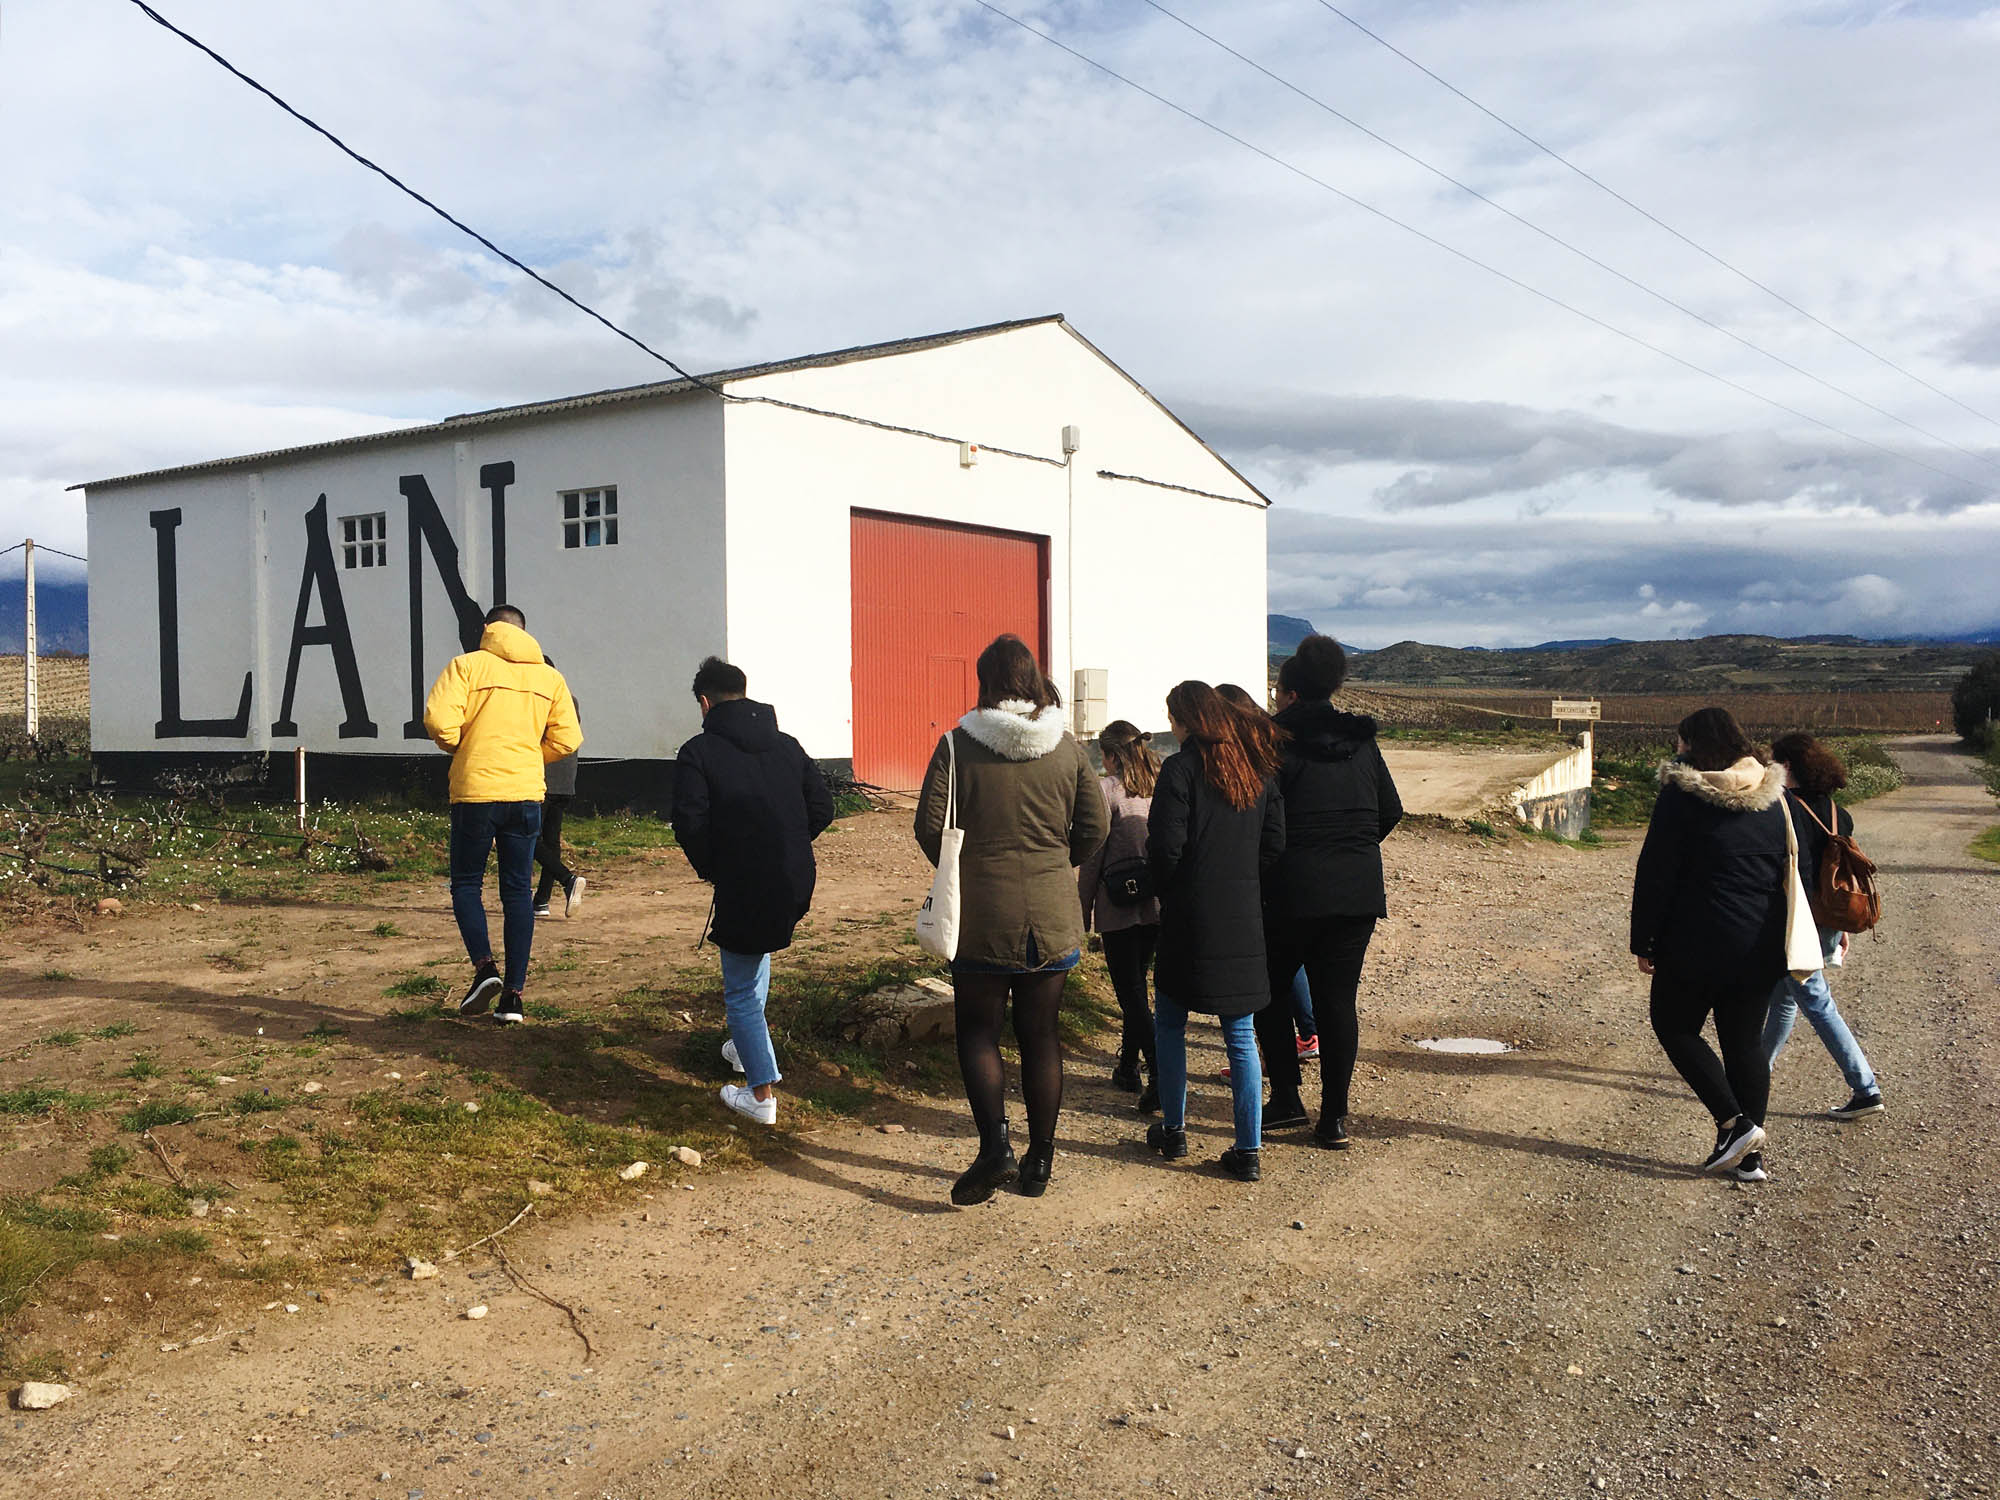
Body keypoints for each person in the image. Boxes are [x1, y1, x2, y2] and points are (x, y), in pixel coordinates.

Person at [916, 634, 1109, 1204]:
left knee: (978, 1031)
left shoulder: (956, 745)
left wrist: (963, 868)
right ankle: (1041, 1158)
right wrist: (1056, 864)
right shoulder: (1068, 748)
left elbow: (930, 827)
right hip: (1051, 911)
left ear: (984, 680)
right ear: (1033, 679)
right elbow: (1095, 829)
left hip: (979, 912)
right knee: (1042, 1035)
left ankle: (995, 1145)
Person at [672, 656, 836, 1126]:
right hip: (794, 877)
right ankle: (745, 1049)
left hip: (744, 878)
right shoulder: (787, 745)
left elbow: (689, 822)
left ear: (704, 702)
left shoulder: (698, 752)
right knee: (757, 952)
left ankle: (760, 1094)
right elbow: (822, 806)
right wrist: (786, 843)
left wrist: (715, 865)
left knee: (741, 988)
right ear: (744, 692)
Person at [1252, 638, 1402, 1148]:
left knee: (1269, 993)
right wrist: (1352, 848)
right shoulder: (1362, 741)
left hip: (1290, 892)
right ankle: (1333, 1117)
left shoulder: (1274, 743)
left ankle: (1287, 1099)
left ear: (1289, 693)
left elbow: (1262, 820)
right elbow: (1391, 810)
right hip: (1355, 891)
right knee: (1338, 1003)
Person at [1630, 707, 1791, 1182]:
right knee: (1744, 1043)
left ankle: (1734, 1123)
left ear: (1694, 746)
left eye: (1681, 743)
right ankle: (1751, 1159)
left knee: (1673, 1025)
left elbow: (1656, 873)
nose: (1677, 751)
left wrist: (1645, 940)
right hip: (1761, 942)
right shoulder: (1775, 798)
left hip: (1696, 940)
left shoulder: (1681, 796)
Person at [1146, 680, 1285, 1182]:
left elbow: (1165, 848)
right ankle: (1247, 1150)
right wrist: (1243, 880)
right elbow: (1274, 845)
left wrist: (1168, 889)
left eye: (1173, 717)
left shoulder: (1179, 770)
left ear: (1188, 720)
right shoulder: (1258, 771)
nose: (1170, 725)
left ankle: (1175, 1129)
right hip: (1243, 916)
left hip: (1188, 917)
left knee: (1169, 1025)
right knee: (1241, 1035)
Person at [423, 604, 582, 1026]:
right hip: (526, 794)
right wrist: (531, 756)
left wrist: (467, 748)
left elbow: (439, 722)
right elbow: (568, 738)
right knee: (516, 893)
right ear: (526, 632)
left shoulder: (466, 667)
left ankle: (484, 969)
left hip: (476, 791)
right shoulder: (550, 678)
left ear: (487, 630)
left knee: (466, 884)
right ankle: (513, 998)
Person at [1764, 732, 1883, 1121]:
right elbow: (1839, 875)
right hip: (1823, 919)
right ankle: (1756, 1072)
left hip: (1795, 921)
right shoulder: (1837, 811)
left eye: (1774, 760)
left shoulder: (1782, 808)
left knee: (1816, 1001)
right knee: (1785, 996)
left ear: (1788, 766)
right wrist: (1838, 927)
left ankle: (1865, 1087)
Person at [1077, 720, 1163, 1102]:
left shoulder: (1105, 790)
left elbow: (1093, 858)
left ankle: (1160, 1069)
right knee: (1139, 985)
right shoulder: (1160, 785)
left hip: (1118, 905)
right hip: (1157, 902)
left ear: (1110, 755)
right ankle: (1128, 1065)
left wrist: (1083, 910)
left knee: (1129, 994)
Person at [532, 654, 586, 918]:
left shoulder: (538, 700)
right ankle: (541, 901)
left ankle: (567, 879)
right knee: (550, 841)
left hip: (540, 779)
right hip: (565, 781)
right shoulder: (569, 699)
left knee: (527, 838)